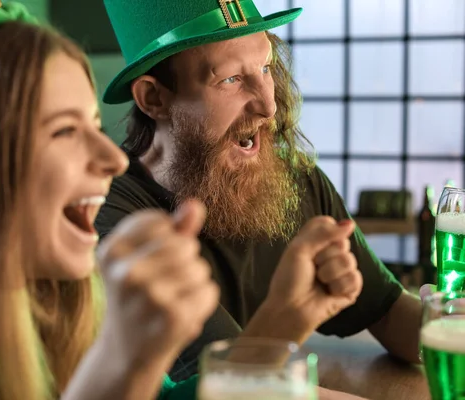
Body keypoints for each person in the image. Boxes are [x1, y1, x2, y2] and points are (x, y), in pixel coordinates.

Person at [0, 0, 365, 399]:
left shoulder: (60, 288)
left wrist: (287, 316)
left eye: (92, 124)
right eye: (64, 130)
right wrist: (126, 352)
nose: (110, 156)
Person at [96, 0, 424, 382]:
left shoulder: (295, 181)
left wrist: (447, 324)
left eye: (266, 68)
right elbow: (220, 385)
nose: (268, 105)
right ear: (154, 98)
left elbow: (387, 311)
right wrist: (289, 316)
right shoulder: (114, 220)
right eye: (230, 80)